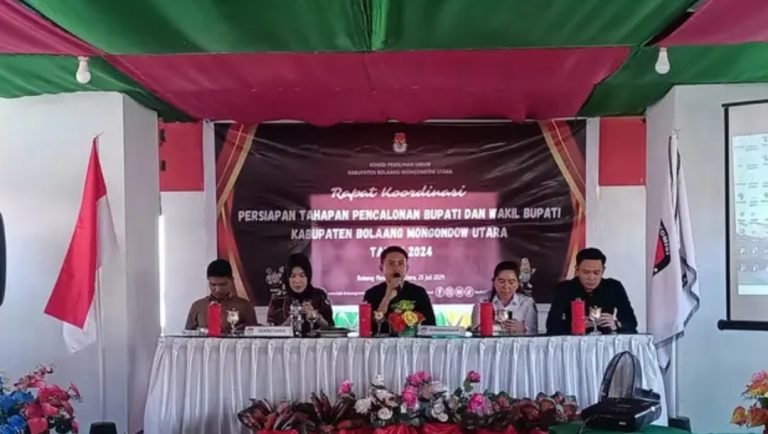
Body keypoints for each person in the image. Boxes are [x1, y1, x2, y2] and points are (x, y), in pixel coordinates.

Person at [546, 248, 638, 335]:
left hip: (606, 340)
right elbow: (551, 325)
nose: (591, 277)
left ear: (603, 271)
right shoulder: (565, 288)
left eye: (596, 272)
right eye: (586, 272)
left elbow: (631, 322)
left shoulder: (614, 287)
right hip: (575, 341)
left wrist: (616, 324)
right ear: (577, 270)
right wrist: (574, 325)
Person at [363, 246, 436, 334]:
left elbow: (430, 324)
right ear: (381, 268)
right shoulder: (371, 293)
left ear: (407, 268)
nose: (396, 268)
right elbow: (370, 327)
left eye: (400, 263)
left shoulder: (419, 292)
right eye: (391, 263)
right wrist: (388, 293)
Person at [185, 259, 258, 333]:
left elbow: (254, 335)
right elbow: (186, 336)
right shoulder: (197, 306)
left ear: (232, 280)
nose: (218, 290)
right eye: (213, 285)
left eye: (222, 284)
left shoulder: (245, 306)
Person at [266, 253, 334, 330]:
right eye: (293, 276)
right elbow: (271, 331)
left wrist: (315, 316)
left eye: (302, 275)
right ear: (287, 277)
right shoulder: (278, 298)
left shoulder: (320, 295)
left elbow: (331, 328)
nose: (297, 281)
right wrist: (291, 319)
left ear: (308, 276)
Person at [471, 261, 538, 335]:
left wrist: (522, 330)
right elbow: (475, 332)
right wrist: (492, 327)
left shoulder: (527, 302)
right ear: (493, 282)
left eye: (511, 282)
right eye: (501, 281)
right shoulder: (482, 300)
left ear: (518, 284)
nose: (506, 286)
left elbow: (533, 334)